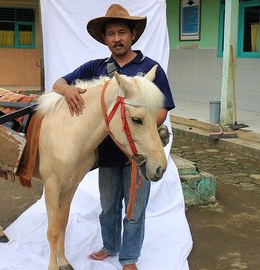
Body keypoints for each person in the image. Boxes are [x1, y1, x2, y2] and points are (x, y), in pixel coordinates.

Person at [52, 4, 175, 270]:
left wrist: (137, 128)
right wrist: (67, 92)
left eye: (122, 32)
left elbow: (163, 109)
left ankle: (129, 257)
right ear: (105, 39)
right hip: (106, 153)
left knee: (134, 210)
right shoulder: (96, 67)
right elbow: (59, 83)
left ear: (132, 35)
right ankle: (110, 245)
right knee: (108, 206)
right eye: (111, 34)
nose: (116, 38)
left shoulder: (150, 68)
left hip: (139, 153)